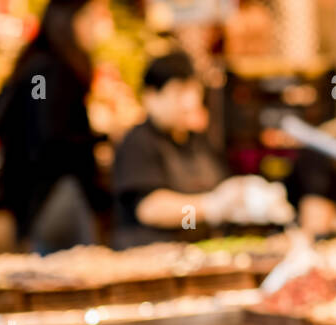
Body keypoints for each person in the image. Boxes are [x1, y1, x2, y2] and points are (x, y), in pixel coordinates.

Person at [112, 51, 291, 248]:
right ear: (152, 96)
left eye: (193, 91)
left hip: (203, 252)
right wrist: (210, 206)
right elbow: (150, 210)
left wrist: (248, 196)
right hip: (152, 256)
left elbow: (221, 185)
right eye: (179, 92)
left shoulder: (198, 141)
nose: (189, 102)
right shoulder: (138, 142)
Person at [0, 0, 112, 252]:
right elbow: (47, 132)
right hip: (53, 193)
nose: (96, 29)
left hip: (38, 195)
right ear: (70, 20)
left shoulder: (37, 65)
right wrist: (101, 138)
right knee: (71, 277)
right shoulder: (48, 71)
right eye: (90, 19)